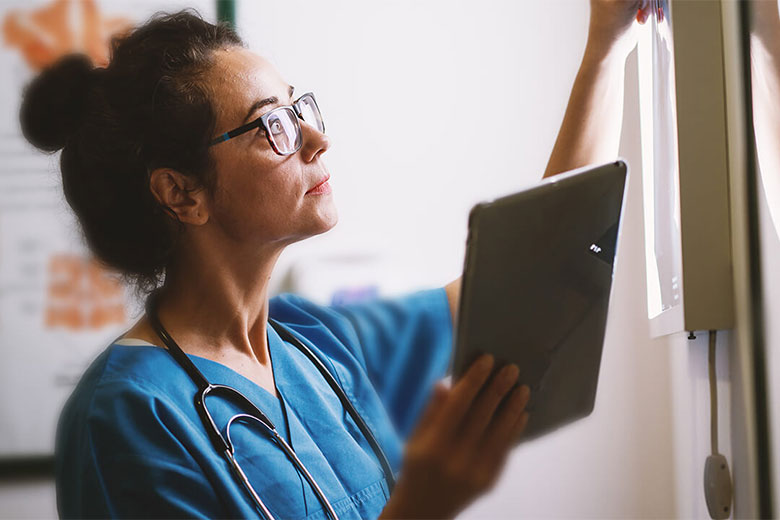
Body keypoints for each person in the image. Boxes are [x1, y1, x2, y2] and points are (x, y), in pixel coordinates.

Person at [19, 1, 646, 518]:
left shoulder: (314, 344)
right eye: (273, 125)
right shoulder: (126, 418)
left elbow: (530, 281)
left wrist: (606, 47)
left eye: (299, 109)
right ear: (181, 192)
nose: (318, 138)